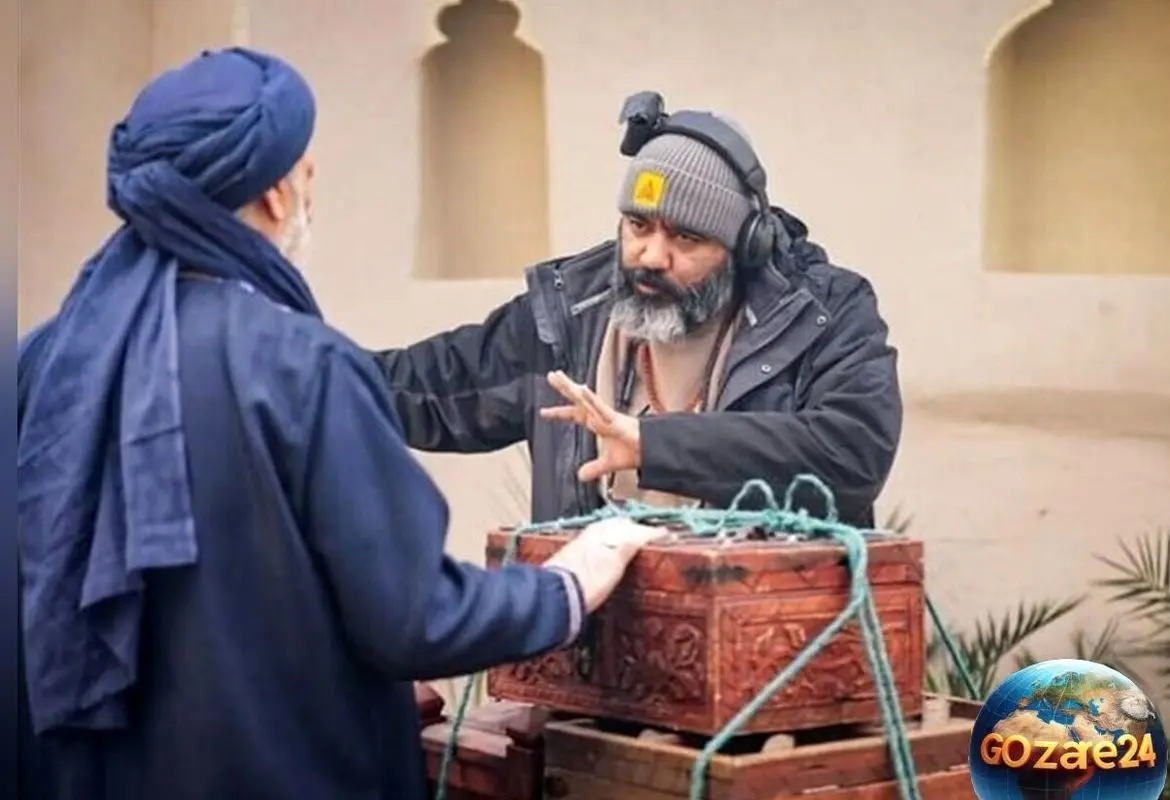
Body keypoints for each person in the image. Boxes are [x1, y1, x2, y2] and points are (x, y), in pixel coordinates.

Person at [15, 48, 663, 800]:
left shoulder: (44, 360)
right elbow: (415, 616)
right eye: (306, 168)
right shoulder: (302, 368)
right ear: (279, 196)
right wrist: (569, 584)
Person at [375, 91, 902, 526]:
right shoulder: (568, 314)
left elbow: (850, 454)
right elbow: (432, 387)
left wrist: (655, 445)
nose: (650, 256)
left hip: (770, 637)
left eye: (686, 237)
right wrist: (305, 370)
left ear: (743, 248)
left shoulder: (825, 314)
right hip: (596, 640)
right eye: (638, 225)